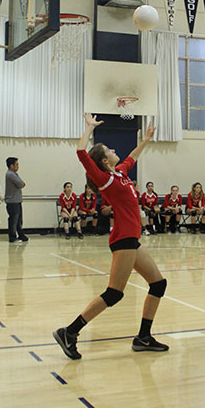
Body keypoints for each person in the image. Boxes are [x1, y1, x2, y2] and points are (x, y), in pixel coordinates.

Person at [54, 114, 168, 359]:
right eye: (109, 149)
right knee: (114, 293)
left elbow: (132, 157)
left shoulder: (120, 173)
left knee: (158, 284)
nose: (114, 149)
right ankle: (69, 332)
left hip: (132, 240)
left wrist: (147, 139)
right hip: (123, 240)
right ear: (104, 160)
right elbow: (81, 153)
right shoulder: (105, 180)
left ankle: (143, 337)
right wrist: (89, 128)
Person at [5, 157, 28, 243]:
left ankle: (21, 235)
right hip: (12, 201)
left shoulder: (14, 174)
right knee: (13, 220)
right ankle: (12, 237)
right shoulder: (10, 174)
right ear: (11, 166)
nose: (18, 166)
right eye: (16, 164)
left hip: (17, 200)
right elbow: (21, 184)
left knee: (18, 220)